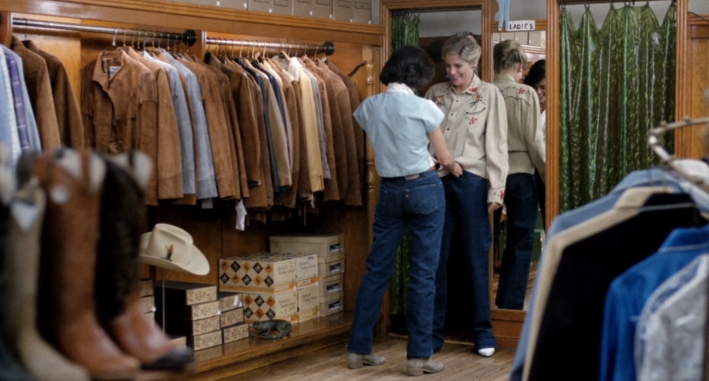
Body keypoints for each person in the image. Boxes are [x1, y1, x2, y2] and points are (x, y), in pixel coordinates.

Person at [346, 45, 463, 377]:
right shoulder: (424, 107)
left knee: (376, 270)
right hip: (424, 187)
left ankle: (357, 349)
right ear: (418, 76)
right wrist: (453, 165)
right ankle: (418, 357)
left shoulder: (368, 106)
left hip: (389, 191)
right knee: (423, 274)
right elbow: (443, 156)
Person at [425, 34, 509, 357]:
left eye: (458, 66)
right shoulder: (435, 94)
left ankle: (482, 332)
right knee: (435, 260)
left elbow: (497, 144)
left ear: (473, 63)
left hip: (473, 182)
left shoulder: (490, 95)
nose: (452, 72)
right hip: (437, 181)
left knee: (475, 259)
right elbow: (424, 138)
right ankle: (432, 333)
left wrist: (496, 189)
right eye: (447, 66)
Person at [492, 41, 546, 311]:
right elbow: (535, 142)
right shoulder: (525, 94)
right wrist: (548, 174)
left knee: (482, 243)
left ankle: (478, 305)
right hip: (521, 173)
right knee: (519, 240)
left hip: (486, 175)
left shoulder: (482, 91)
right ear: (520, 65)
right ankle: (509, 305)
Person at [524, 59, 547, 228]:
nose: (538, 92)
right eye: (535, 87)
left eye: (543, 87)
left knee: (551, 219)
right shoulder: (523, 106)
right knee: (524, 226)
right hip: (526, 171)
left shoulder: (560, 109)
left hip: (549, 172)